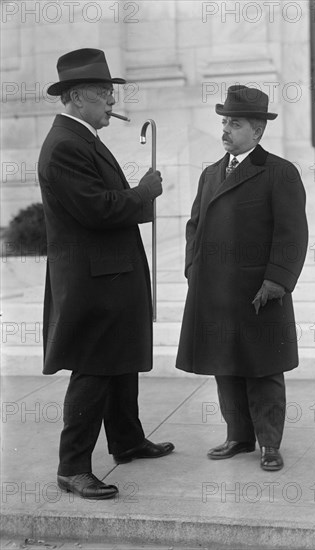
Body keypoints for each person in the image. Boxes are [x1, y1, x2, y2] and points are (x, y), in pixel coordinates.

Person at [38, 48, 174, 500]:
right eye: (102, 95)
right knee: (95, 368)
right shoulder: (64, 146)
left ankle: (127, 440)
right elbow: (96, 209)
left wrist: (136, 197)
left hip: (109, 273)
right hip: (91, 279)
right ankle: (72, 467)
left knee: (120, 360)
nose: (111, 104)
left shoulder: (81, 139)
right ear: (76, 97)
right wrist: (143, 193)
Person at [176, 85, 308, 471]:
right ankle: (238, 436)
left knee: (264, 369)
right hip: (215, 291)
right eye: (223, 122)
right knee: (225, 365)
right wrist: (193, 269)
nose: (225, 129)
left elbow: (292, 234)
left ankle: (269, 444)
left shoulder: (279, 172)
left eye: (234, 123)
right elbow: (193, 225)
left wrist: (277, 282)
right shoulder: (211, 174)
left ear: (258, 131)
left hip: (258, 293)